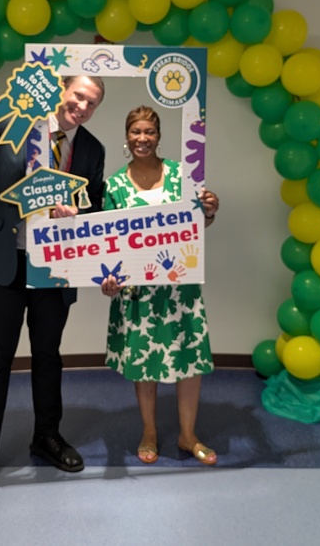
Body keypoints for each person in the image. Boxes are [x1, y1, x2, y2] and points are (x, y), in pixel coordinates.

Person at [0, 75, 106, 501]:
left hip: (54, 268)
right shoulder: (14, 123)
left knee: (49, 357)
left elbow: (98, 207)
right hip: (4, 261)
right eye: (78, 96)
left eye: (92, 103)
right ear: (63, 92)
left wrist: (78, 212)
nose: (83, 107)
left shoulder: (91, 149)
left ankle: (47, 437)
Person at [98, 105, 221, 466]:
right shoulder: (115, 185)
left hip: (179, 288)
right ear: (126, 136)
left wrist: (209, 212)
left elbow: (195, 227)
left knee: (189, 360)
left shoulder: (183, 176)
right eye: (135, 131)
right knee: (143, 363)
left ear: (159, 136)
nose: (142, 138)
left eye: (149, 132)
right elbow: (106, 241)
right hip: (137, 290)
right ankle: (149, 431)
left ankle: (188, 435)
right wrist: (108, 279)